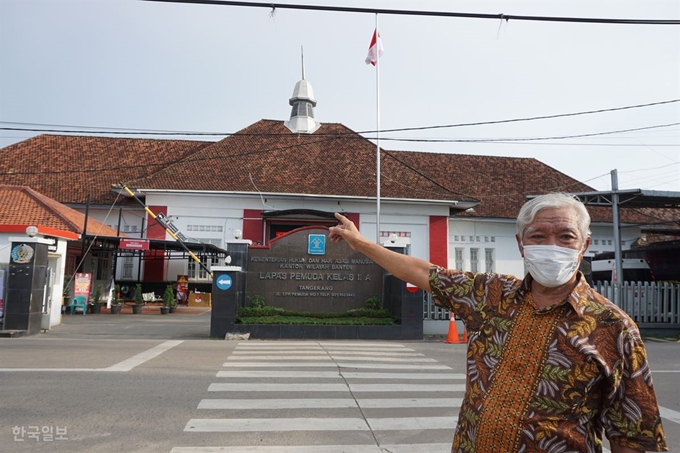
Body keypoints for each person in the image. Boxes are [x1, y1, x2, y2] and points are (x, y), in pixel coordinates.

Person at [328, 193, 667, 453]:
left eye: (565, 237)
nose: (552, 247)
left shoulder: (612, 326)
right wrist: (359, 242)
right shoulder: (490, 295)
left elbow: (636, 434)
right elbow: (421, 272)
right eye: (537, 237)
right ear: (521, 245)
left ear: (585, 245)